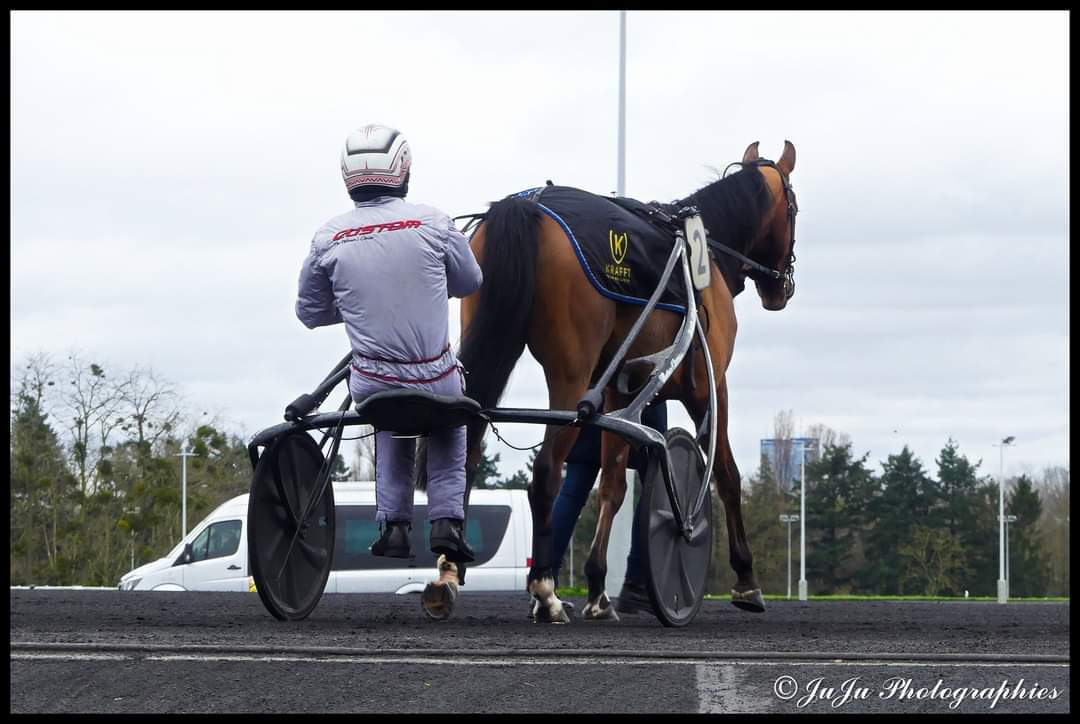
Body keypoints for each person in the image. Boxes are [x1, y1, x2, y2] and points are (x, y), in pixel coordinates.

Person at [295, 123, 482, 564]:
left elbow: (310, 312)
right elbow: (471, 280)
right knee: (448, 421)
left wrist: (359, 304)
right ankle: (446, 522)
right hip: (438, 381)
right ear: (403, 170)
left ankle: (394, 527)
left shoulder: (327, 238)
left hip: (372, 385)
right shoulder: (435, 222)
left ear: (347, 177)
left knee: (391, 418)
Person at [548, 400, 668, 616]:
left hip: (590, 394)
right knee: (655, 488)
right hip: (639, 400)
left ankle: (546, 583)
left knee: (573, 488)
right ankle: (636, 583)